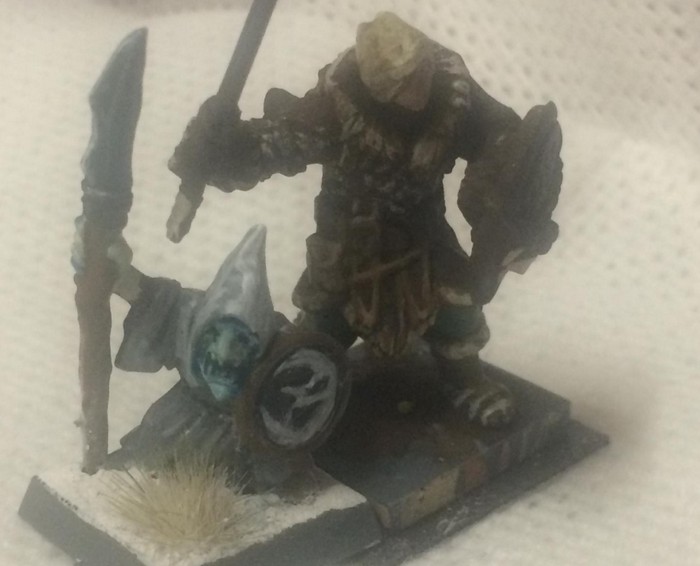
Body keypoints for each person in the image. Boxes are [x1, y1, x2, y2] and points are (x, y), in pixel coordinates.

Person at [168, 12, 563, 428]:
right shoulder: (334, 106)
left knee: (456, 302)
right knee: (326, 319)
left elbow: (502, 137)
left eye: (424, 69)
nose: (423, 81)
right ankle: (304, 380)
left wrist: (511, 202)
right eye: (409, 79)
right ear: (383, 87)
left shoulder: (453, 94)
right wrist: (223, 146)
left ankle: (464, 377)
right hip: (349, 236)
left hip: (422, 230)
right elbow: (277, 143)